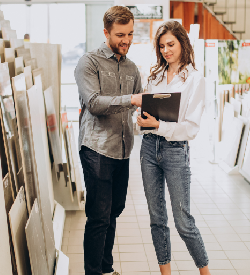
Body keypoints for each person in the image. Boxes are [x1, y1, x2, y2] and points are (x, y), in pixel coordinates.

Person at [136, 21, 211, 275]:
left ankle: (205, 272)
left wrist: (160, 124)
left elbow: (190, 128)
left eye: (171, 44)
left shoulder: (195, 79)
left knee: (183, 221)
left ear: (182, 43)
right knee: (157, 219)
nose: (166, 50)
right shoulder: (155, 75)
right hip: (148, 148)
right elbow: (148, 113)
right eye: (162, 46)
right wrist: (144, 120)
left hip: (175, 150)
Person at [74, 6, 143, 275]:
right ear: (106, 32)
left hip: (122, 150)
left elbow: (138, 103)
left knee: (114, 211)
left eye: (130, 34)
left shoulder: (132, 68)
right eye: (120, 35)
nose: (126, 40)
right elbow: (93, 103)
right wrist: (131, 100)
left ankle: (105, 268)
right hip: (97, 149)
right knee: (99, 216)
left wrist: (152, 110)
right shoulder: (88, 62)